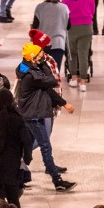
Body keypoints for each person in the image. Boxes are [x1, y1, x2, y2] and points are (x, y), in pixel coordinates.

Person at [15, 43, 76, 192]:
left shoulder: (29, 69)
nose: (43, 57)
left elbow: (48, 89)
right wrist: (44, 66)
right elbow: (52, 81)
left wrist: (64, 103)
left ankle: (18, 176)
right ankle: (57, 181)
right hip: (33, 115)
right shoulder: (32, 75)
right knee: (45, 146)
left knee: (27, 145)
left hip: (34, 113)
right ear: (32, 58)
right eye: (40, 55)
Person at [0, 90, 33, 208]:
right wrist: (27, 158)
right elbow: (27, 141)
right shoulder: (17, 119)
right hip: (11, 166)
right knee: (13, 199)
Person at [61, 0, 95, 91]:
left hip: (71, 29)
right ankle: (83, 82)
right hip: (86, 28)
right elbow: (93, 10)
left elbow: (63, 13)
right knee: (83, 54)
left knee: (72, 55)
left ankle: (74, 78)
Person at [31, 0, 70, 73]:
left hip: (42, 44)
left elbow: (35, 26)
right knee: (55, 72)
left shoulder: (39, 7)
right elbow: (68, 26)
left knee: (42, 72)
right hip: (58, 44)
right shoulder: (64, 8)